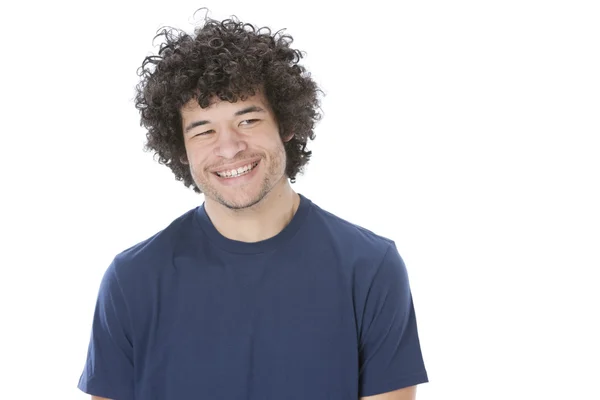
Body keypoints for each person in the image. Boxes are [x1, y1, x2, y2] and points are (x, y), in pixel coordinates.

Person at [77, 10, 429, 400]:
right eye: (204, 130)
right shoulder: (132, 281)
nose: (228, 147)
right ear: (180, 150)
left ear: (287, 123)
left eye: (248, 121)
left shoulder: (369, 268)